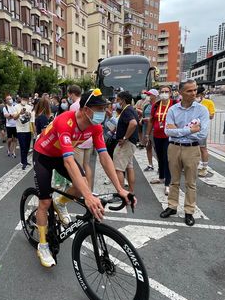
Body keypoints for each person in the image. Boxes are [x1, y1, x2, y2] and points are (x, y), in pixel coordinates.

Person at [32, 89, 133, 267]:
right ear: (86, 109)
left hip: (61, 156)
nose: (104, 112)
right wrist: (88, 197)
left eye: (105, 107)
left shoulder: (94, 126)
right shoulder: (66, 121)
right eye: (100, 108)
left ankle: (61, 202)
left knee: (83, 184)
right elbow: (70, 163)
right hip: (43, 156)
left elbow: (104, 157)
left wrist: (120, 188)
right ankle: (43, 245)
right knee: (45, 202)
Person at [160, 80, 210, 227]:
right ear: (181, 93)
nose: (194, 93)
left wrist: (178, 131)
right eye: (189, 91)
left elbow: (202, 134)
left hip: (192, 149)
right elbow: (168, 131)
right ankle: (172, 206)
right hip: (174, 148)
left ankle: (189, 211)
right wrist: (189, 130)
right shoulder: (173, 110)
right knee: (174, 180)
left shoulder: (202, 110)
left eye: (195, 90)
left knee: (191, 182)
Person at [147, 86, 175, 195]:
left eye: (166, 92)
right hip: (157, 136)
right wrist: (147, 134)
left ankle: (167, 184)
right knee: (160, 157)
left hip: (169, 136)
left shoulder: (174, 104)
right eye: (162, 92)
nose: (164, 93)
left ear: (170, 93)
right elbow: (151, 120)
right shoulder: (156, 105)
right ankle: (161, 177)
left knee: (167, 159)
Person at [113, 91, 139, 193]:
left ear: (123, 100)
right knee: (129, 167)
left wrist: (124, 137)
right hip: (130, 143)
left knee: (118, 169)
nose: (116, 102)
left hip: (126, 144)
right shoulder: (131, 109)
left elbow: (133, 123)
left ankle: (121, 193)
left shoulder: (127, 110)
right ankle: (130, 191)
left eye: (118, 99)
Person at [196, 86, 215, 177]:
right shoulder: (191, 102)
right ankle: (193, 165)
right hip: (190, 129)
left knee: (202, 148)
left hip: (202, 130)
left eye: (198, 94)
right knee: (191, 148)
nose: (197, 96)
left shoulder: (208, 102)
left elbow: (211, 116)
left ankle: (204, 168)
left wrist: (203, 114)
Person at [14, 95, 34, 170]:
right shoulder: (16, 106)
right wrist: (20, 112)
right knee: (22, 146)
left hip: (28, 129)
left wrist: (28, 114)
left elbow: (31, 118)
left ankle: (24, 160)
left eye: (26, 99)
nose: (24, 100)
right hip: (20, 129)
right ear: (21, 99)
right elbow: (14, 117)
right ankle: (24, 162)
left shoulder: (29, 107)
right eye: (23, 99)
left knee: (27, 146)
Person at [141, 89, 158, 171]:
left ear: (155, 96)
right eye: (147, 95)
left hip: (154, 130)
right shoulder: (146, 106)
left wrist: (149, 120)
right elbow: (143, 115)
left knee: (157, 148)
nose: (148, 96)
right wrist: (142, 120)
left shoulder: (158, 105)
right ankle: (150, 165)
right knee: (148, 147)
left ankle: (160, 166)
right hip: (146, 129)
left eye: (150, 95)